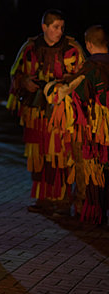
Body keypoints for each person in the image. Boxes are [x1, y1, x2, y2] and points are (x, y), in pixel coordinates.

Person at [7, 9, 85, 215]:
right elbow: (16, 73)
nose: (59, 32)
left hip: (62, 117)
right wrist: (24, 82)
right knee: (38, 155)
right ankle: (42, 198)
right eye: (55, 27)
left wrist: (65, 87)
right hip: (35, 114)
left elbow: (83, 79)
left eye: (61, 28)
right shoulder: (30, 48)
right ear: (44, 27)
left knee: (60, 156)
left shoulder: (73, 49)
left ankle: (61, 201)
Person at [48, 25, 109, 224]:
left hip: (94, 130)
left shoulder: (90, 67)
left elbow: (74, 93)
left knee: (89, 168)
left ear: (89, 45)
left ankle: (90, 212)